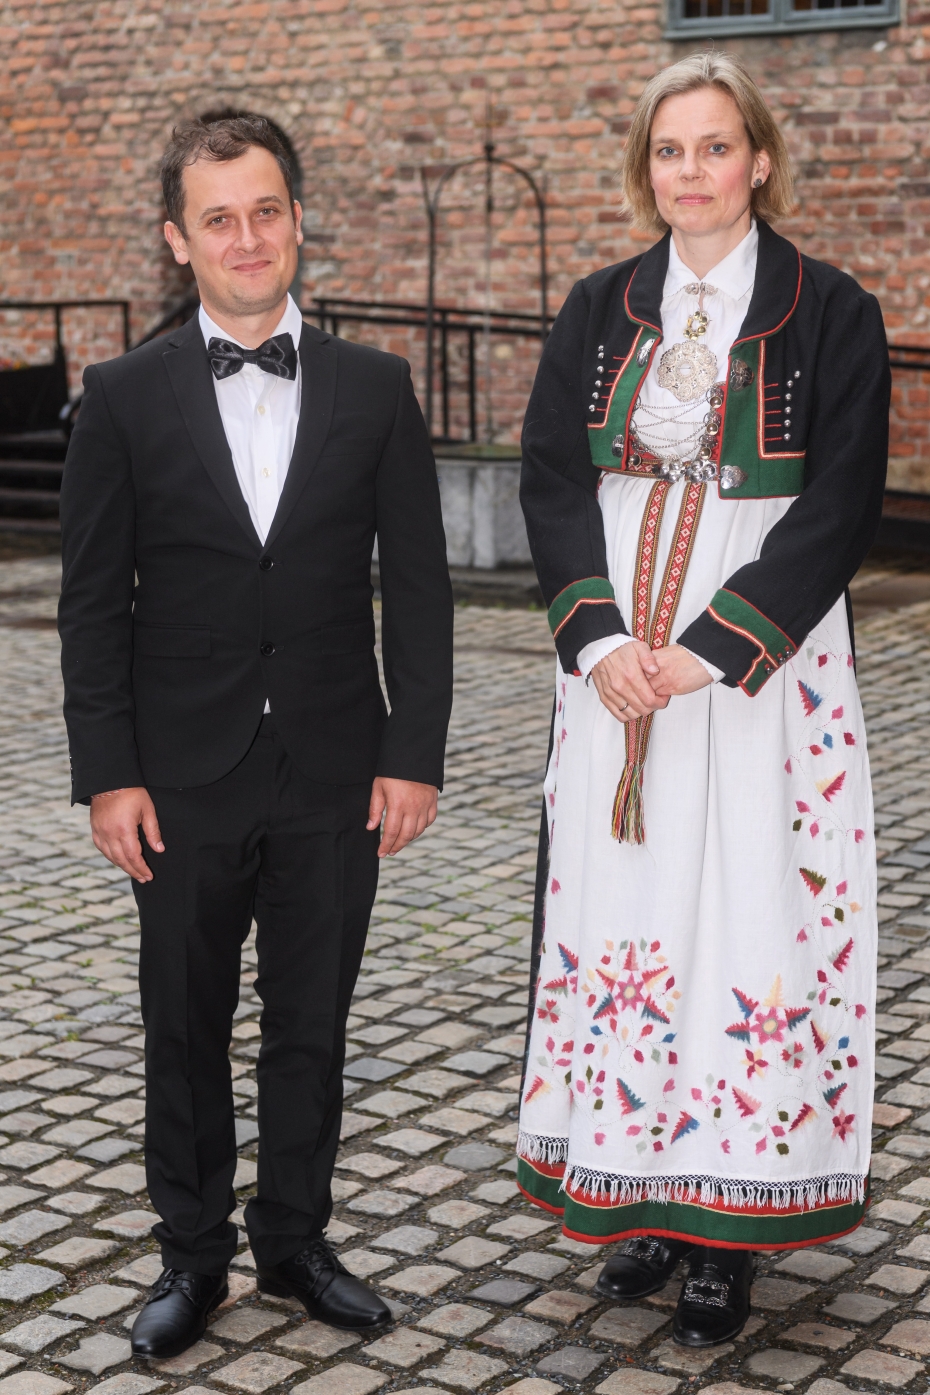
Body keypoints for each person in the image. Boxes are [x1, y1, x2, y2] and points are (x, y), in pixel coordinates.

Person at [58, 114, 453, 1359]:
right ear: (179, 240)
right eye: (218, 217)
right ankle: (192, 1258)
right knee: (183, 1022)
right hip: (180, 773)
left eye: (266, 210)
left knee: (311, 1022)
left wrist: (415, 751)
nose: (247, 237)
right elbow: (89, 600)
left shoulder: (378, 388)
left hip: (338, 765)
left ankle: (295, 1241)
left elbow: (424, 588)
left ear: (296, 219)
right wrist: (108, 774)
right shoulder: (119, 397)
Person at [516, 53, 887, 1347]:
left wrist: (716, 645)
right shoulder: (596, 306)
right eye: (668, 150)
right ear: (647, 169)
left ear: (758, 159)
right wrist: (599, 634)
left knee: (743, 915)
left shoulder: (829, 310)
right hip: (618, 669)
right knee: (631, 916)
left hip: (754, 679)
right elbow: (551, 481)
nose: (690, 171)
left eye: (713, 146)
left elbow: (840, 501)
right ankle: (646, 1205)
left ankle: (730, 1227)